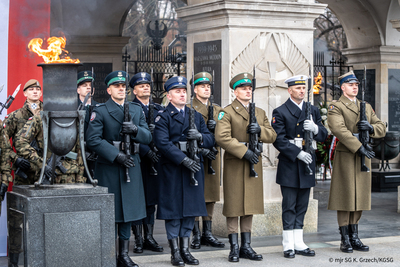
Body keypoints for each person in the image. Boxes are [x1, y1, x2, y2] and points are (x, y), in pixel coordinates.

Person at [86, 70, 152, 267]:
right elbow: (93, 139)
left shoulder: (136, 110)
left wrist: (135, 130)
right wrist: (116, 155)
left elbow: (148, 137)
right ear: (109, 90)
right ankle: (107, 255)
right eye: (117, 86)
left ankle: (123, 255)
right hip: (109, 167)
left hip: (131, 165)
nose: (121, 89)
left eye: (123, 86)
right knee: (110, 213)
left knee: (127, 213)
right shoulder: (101, 111)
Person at [215, 73, 277, 262]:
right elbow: (222, 137)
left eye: (250, 88)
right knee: (234, 205)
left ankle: (246, 246)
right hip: (237, 162)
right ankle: (234, 248)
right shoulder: (226, 112)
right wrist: (244, 151)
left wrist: (259, 130)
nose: (247, 91)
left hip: (253, 162)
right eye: (243, 88)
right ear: (235, 91)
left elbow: (272, 135)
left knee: (249, 204)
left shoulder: (259, 112)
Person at [154, 76, 215, 266]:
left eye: (184, 91)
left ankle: (186, 250)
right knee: (173, 213)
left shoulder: (195, 115)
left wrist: (200, 137)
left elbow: (211, 139)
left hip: (192, 170)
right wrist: (183, 159)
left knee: (190, 211)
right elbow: (162, 143)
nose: (182, 94)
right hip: (173, 169)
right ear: (169, 95)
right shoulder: (163, 116)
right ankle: (175, 253)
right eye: (177, 91)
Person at [327, 71, 385, 253]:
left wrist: (371, 127)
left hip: (363, 156)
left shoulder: (365, 106)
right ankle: (344, 238)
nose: (355, 87)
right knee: (345, 196)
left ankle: (354, 236)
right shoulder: (336, 107)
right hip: (347, 154)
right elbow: (339, 130)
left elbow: (381, 126)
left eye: (357, 85)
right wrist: (359, 146)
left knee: (359, 196)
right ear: (343, 87)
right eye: (351, 85)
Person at [271, 75, 328, 258]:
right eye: (298, 88)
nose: (302, 91)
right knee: (289, 205)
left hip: (307, 164)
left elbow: (324, 134)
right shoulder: (280, 112)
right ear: (289, 90)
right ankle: (288, 244)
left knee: (302, 204)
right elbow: (278, 140)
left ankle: (299, 242)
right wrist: (297, 153)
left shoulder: (312, 110)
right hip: (290, 164)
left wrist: (316, 129)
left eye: (304, 88)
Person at [188, 72, 224, 249]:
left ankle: (207, 233)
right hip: (196, 156)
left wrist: (215, 129)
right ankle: (195, 234)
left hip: (213, 156)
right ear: (195, 89)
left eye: (208, 86)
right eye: (202, 86)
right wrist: (201, 149)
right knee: (196, 194)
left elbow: (225, 134)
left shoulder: (217, 110)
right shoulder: (189, 108)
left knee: (210, 195)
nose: (206, 89)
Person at [129, 72, 164, 253]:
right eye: (141, 85)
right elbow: (127, 134)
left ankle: (149, 236)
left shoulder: (159, 109)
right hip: (137, 159)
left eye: (148, 85)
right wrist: (146, 151)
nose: (146, 88)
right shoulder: (129, 108)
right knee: (137, 200)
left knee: (150, 200)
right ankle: (138, 239)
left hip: (154, 160)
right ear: (134, 90)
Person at [15, 115, 85, 184]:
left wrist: (80, 179)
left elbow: (80, 151)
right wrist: (42, 164)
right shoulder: (39, 119)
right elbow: (20, 142)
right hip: (46, 175)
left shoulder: (73, 120)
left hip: (69, 177)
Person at [3, 79, 43, 185]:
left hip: (44, 168)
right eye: (31, 89)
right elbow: (3, 143)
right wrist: (15, 159)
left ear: (41, 93)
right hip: (24, 170)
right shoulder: (15, 116)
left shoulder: (49, 114)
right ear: (25, 93)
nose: (35, 91)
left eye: (37, 89)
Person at [77, 70, 99, 181]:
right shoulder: (71, 108)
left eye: (91, 86)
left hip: (96, 155)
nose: (88, 88)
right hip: (77, 157)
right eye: (85, 85)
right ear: (78, 90)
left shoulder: (100, 108)